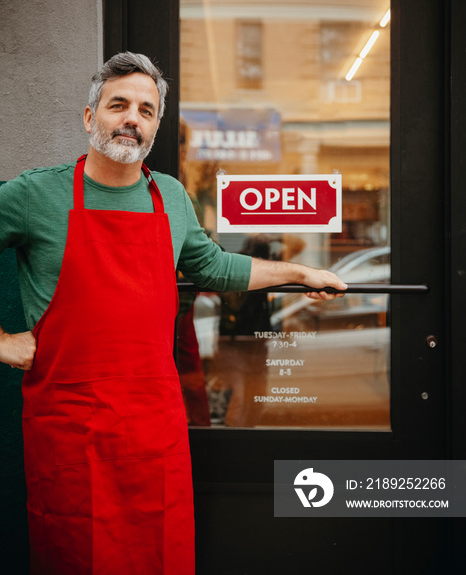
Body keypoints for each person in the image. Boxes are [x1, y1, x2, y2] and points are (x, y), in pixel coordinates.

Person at [0, 52, 346, 575]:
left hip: (151, 429)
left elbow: (216, 267)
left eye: (146, 109)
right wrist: (2, 341)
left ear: (156, 125)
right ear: (90, 117)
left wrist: (298, 273)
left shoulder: (172, 198)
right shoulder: (35, 195)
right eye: (118, 105)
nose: (131, 120)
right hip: (71, 429)